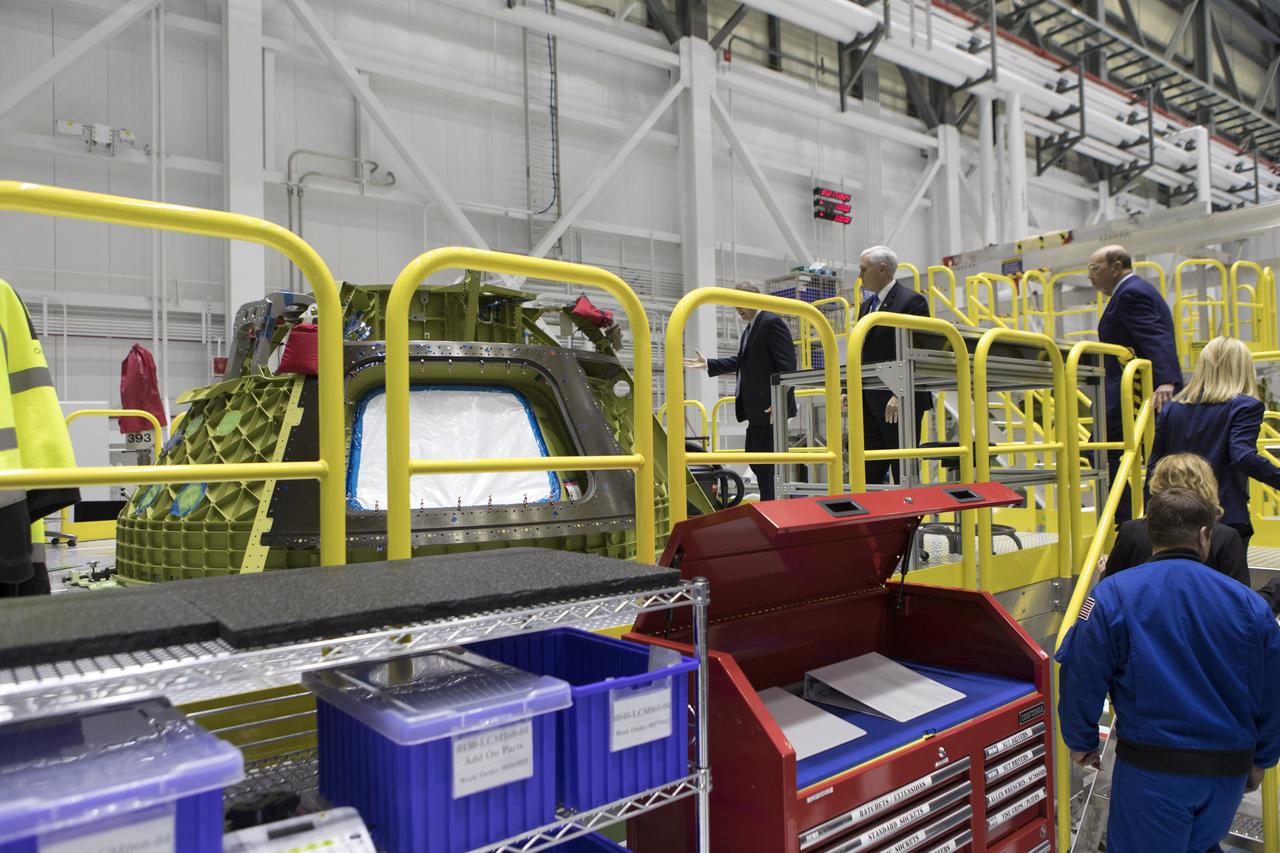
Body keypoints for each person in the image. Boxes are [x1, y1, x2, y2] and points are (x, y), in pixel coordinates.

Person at [1057, 488, 1280, 853]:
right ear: (1204, 534)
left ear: (1151, 533)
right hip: (1226, 774)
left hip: (1152, 772)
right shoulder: (1248, 603)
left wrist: (1081, 740)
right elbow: (1272, 689)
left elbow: (1082, 673)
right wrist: (1263, 758)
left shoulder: (1113, 594)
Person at [1146, 335, 1280, 555]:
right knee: (1226, 577)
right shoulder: (1245, 406)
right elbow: (1242, 456)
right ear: (1242, 368)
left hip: (1173, 516)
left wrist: (1151, 511)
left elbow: (1155, 464)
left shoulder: (1171, 409)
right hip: (1223, 515)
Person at [1090, 245, 1181, 524]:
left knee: (1099, 449)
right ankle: (1142, 515)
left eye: (1095, 269)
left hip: (1138, 393)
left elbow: (1155, 336)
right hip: (1134, 393)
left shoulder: (1131, 293)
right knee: (1145, 454)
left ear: (1117, 267)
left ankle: (1133, 517)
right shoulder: (1131, 291)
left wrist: (1165, 381)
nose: (1090, 276)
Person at [683, 281, 796, 502]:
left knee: (768, 468)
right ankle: (771, 504)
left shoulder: (771, 323)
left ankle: (774, 507)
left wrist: (780, 398)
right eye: (735, 304)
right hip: (758, 411)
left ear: (754, 298)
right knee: (757, 461)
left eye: (740, 303)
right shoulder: (751, 329)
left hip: (771, 409)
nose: (737, 309)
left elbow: (788, 365)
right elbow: (742, 361)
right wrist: (709, 364)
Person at [1104, 453, 1249, 586]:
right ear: (1208, 485)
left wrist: (1104, 570)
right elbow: (1240, 595)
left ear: (1157, 482)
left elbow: (1110, 585)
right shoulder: (1225, 536)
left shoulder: (1131, 531)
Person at [855, 245, 932, 486]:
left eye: (863, 269)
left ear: (882, 269)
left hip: (898, 400)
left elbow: (919, 353)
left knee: (903, 472)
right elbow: (863, 351)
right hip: (869, 399)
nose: (859, 275)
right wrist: (850, 389)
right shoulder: (867, 306)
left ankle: (909, 512)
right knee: (869, 474)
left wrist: (901, 392)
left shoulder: (911, 301)